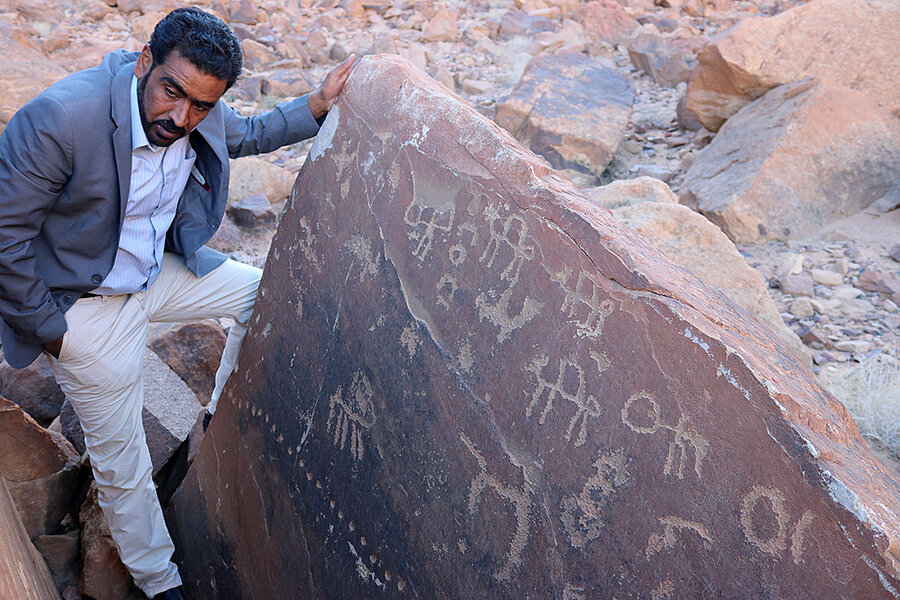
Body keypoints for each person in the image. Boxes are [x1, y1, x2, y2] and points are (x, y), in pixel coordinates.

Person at [0, 8, 354, 599]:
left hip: (153, 273)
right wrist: (55, 332)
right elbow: (4, 238)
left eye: (201, 106)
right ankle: (161, 584)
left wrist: (318, 102)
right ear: (145, 61)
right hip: (84, 308)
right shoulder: (61, 120)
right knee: (127, 467)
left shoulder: (200, 111)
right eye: (172, 92)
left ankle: (215, 412)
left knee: (260, 292)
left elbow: (247, 135)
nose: (180, 118)